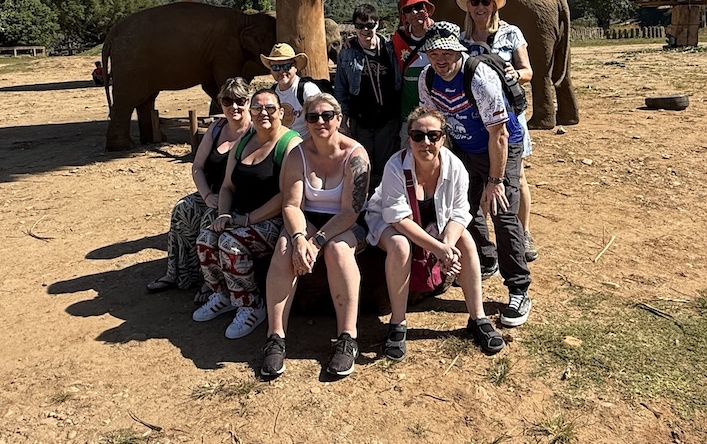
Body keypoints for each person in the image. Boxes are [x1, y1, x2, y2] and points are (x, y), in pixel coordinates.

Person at [366, 107, 505, 360]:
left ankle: (478, 317)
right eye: (418, 136)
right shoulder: (396, 165)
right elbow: (397, 218)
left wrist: (448, 246)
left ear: (443, 138)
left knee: (466, 240)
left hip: (434, 222)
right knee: (400, 245)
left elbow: (461, 212)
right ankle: (398, 323)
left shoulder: (455, 166)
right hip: (389, 221)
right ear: (408, 138)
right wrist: (438, 248)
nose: (425, 142)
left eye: (433, 135)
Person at [418, 20, 532, 328]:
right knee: (464, 207)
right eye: (433, 53)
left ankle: (519, 287)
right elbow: (434, 123)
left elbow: (500, 134)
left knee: (501, 210)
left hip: (500, 146)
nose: (440, 60)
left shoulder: (478, 77)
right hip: (465, 147)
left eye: (446, 52)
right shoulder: (427, 79)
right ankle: (485, 258)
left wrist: (495, 181)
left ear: (458, 50)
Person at [261, 93, 371, 379]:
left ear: (338, 119)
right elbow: (291, 204)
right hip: (308, 219)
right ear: (305, 121)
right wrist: (299, 237)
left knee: (337, 250)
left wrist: (317, 242)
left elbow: (351, 211)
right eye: (313, 117)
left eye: (326, 116)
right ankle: (275, 337)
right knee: (285, 247)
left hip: (345, 222)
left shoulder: (355, 155)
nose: (320, 122)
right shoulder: (298, 153)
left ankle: (347, 337)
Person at [193, 88, 301, 338]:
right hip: (239, 215)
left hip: (274, 220)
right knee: (206, 240)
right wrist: (223, 214)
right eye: (258, 108)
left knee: (231, 244)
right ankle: (223, 295)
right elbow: (228, 186)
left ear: (281, 112)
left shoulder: (290, 144)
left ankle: (251, 305)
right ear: (251, 113)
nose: (264, 113)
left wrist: (249, 220)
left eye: (270, 108)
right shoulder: (242, 143)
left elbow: (286, 195)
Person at [146, 77, 253, 300]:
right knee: (182, 209)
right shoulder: (217, 128)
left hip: (239, 198)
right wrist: (205, 194)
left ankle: (211, 281)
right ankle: (177, 273)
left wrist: (218, 200)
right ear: (220, 102)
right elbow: (197, 167)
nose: (234, 106)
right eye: (227, 100)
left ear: (249, 101)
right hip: (211, 193)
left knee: (210, 219)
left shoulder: (255, 132)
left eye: (240, 100)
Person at [457, 0, 538, 262]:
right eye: (475, 2)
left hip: (509, 116)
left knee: (516, 177)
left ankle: (522, 232)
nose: (480, 7)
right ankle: (487, 242)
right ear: (468, 6)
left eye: (485, 2)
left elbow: (527, 71)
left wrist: (516, 75)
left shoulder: (510, 33)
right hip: (475, 118)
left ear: (494, 5)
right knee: (477, 181)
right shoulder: (461, 39)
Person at [335, 3, 401, 191]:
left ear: (377, 24)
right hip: (361, 121)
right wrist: (343, 119)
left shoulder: (390, 48)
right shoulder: (347, 53)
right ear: (354, 27)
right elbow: (341, 88)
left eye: (370, 25)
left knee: (386, 166)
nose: (365, 30)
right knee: (363, 166)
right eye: (360, 26)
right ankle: (364, 210)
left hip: (388, 120)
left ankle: (383, 208)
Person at [391, 0, 436, 146]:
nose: (414, 12)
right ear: (404, 15)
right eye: (409, 9)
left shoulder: (439, 35)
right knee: (407, 151)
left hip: (437, 110)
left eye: (419, 7)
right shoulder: (399, 39)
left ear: (427, 9)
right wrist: (352, 43)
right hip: (408, 112)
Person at [260, 43, 321, 137]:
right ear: (270, 70)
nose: (281, 71)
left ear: (295, 67)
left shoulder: (307, 90)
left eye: (286, 66)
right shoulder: (271, 93)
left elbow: (321, 121)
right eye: (276, 67)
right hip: (281, 145)